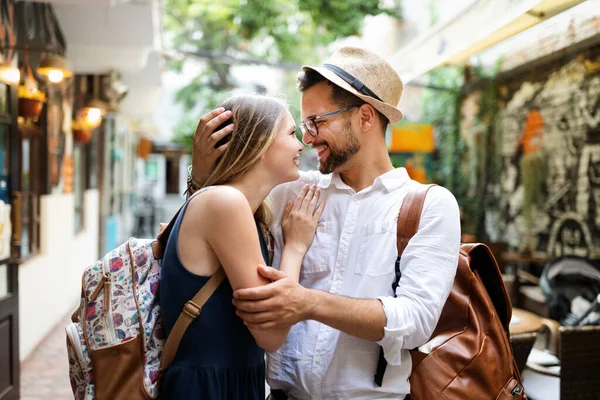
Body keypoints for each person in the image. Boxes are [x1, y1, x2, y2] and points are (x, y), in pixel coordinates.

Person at [188, 47, 461, 399]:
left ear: (365, 117)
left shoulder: (429, 205)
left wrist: (307, 303)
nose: (308, 137)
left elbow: (416, 320)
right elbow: (208, 225)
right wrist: (202, 173)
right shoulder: (290, 190)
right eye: (304, 125)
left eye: (318, 121)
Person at [159, 94, 325, 400]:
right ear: (259, 146)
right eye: (291, 134)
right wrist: (295, 247)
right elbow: (271, 333)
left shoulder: (238, 207)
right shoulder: (225, 203)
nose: (300, 145)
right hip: (207, 389)